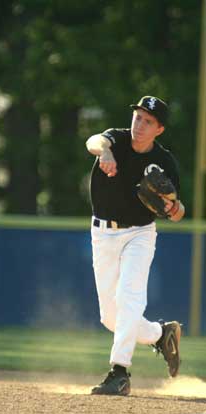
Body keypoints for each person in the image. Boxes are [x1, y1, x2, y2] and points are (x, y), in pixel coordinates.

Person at [85, 96, 185, 396]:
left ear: (160, 129)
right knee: (111, 318)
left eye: (148, 121)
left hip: (140, 234)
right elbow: (93, 140)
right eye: (138, 117)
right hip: (103, 234)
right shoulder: (114, 140)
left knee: (130, 296)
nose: (139, 125)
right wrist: (105, 152)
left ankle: (119, 372)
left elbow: (179, 213)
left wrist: (172, 206)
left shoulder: (165, 162)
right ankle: (160, 334)